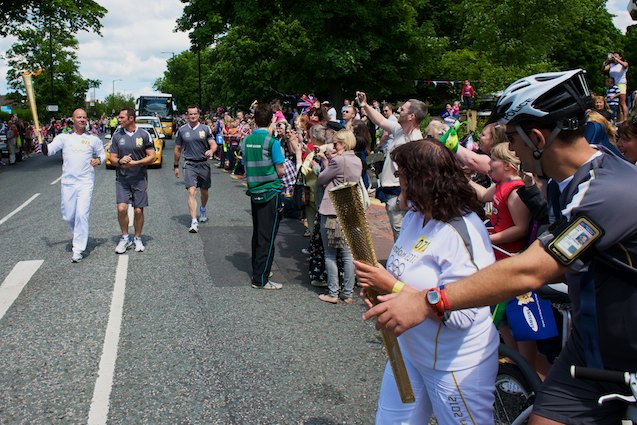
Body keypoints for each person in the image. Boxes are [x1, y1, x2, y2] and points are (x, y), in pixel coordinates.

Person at [362, 69, 637, 425]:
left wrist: (429, 298)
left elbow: (531, 268)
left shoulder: (608, 193)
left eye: (513, 137)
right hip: (589, 349)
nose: (508, 149)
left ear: (537, 137)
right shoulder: (563, 183)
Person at [354, 140, 498, 424]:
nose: (398, 182)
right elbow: (402, 277)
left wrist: (393, 286)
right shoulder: (414, 217)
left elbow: (462, 314)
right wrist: (380, 290)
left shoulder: (463, 230)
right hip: (409, 353)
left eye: (401, 175)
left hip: (454, 365)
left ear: (422, 180)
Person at [356, 91, 427, 240]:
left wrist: (404, 195)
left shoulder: (414, 141)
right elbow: (381, 121)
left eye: (402, 109)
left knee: (401, 233)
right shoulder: (400, 130)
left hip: (398, 193)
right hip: (392, 191)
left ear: (411, 116)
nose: (398, 110)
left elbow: (413, 173)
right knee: (398, 231)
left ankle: (401, 262)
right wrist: (365, 105)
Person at [41, 108, 105, 263]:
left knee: (82, 214)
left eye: (84, 117)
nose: (82, 119)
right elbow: (48, 151)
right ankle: (78, 234)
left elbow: (102, 153)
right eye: (79, 117)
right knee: (69, 215)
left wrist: (98, 160)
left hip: (85, 182)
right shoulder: (64, 138)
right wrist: (41, 138)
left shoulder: (93, 139)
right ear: (73, 119)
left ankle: (78, 249)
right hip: (68, 182)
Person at [241, 103, 286, 290]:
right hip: (271, 191)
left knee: (258, 234)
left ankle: (258, 269)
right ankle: (261, 279)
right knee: (268, 237)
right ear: (271, 121)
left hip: (254, 191)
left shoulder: (246, 141)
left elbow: (245, 163)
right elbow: (281, 171)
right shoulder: (272, 142)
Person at [316, 129, 362, 304]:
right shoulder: (357, 160)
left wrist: (325, 160)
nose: (334, 145)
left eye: (336, 143)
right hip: (349, 208)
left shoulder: (337, 160)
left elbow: (322, 179)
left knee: (330, 253)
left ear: (343, 143)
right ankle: (348, 293)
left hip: (331, 210)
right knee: (348, 254)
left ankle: (333, 292)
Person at [109, 107, 156, 254]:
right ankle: (125, 237)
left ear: (130, 118)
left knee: (138, 210)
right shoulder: (117, 136)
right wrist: (120, 161)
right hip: (122, 178)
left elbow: (152, 156)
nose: (119, 120)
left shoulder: (144, 134)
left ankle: (137, 237)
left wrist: (136, 163)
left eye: (122, 117)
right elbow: (112, 158)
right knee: (121, 208)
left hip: (139, 178)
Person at [174, 105, 216, 233]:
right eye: (190, 114)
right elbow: (177, 149)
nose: (192, 116)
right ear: (187, 115)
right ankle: (193, 221)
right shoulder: (182, 130)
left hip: (203, 164)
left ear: (198, 115)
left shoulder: (205, 129)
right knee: (191, 192)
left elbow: (213, 144)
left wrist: (211, 150)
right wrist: (175, 165)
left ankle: (202, 209)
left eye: (195, 114)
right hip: (189, 164)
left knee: (204, 191)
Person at [602, 52, 629, 122]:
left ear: (620, 57)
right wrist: (608, 60)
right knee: (617, 105)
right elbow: (603, 68)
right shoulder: (611, 65)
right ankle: (619, 119)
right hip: (613, 85)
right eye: (613, 56)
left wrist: (617, 59)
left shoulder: (623, 63)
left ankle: (625, 119)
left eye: (616, 56)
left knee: (622, 103)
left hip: (621, 84)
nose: (614, 58)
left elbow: (625, 65)